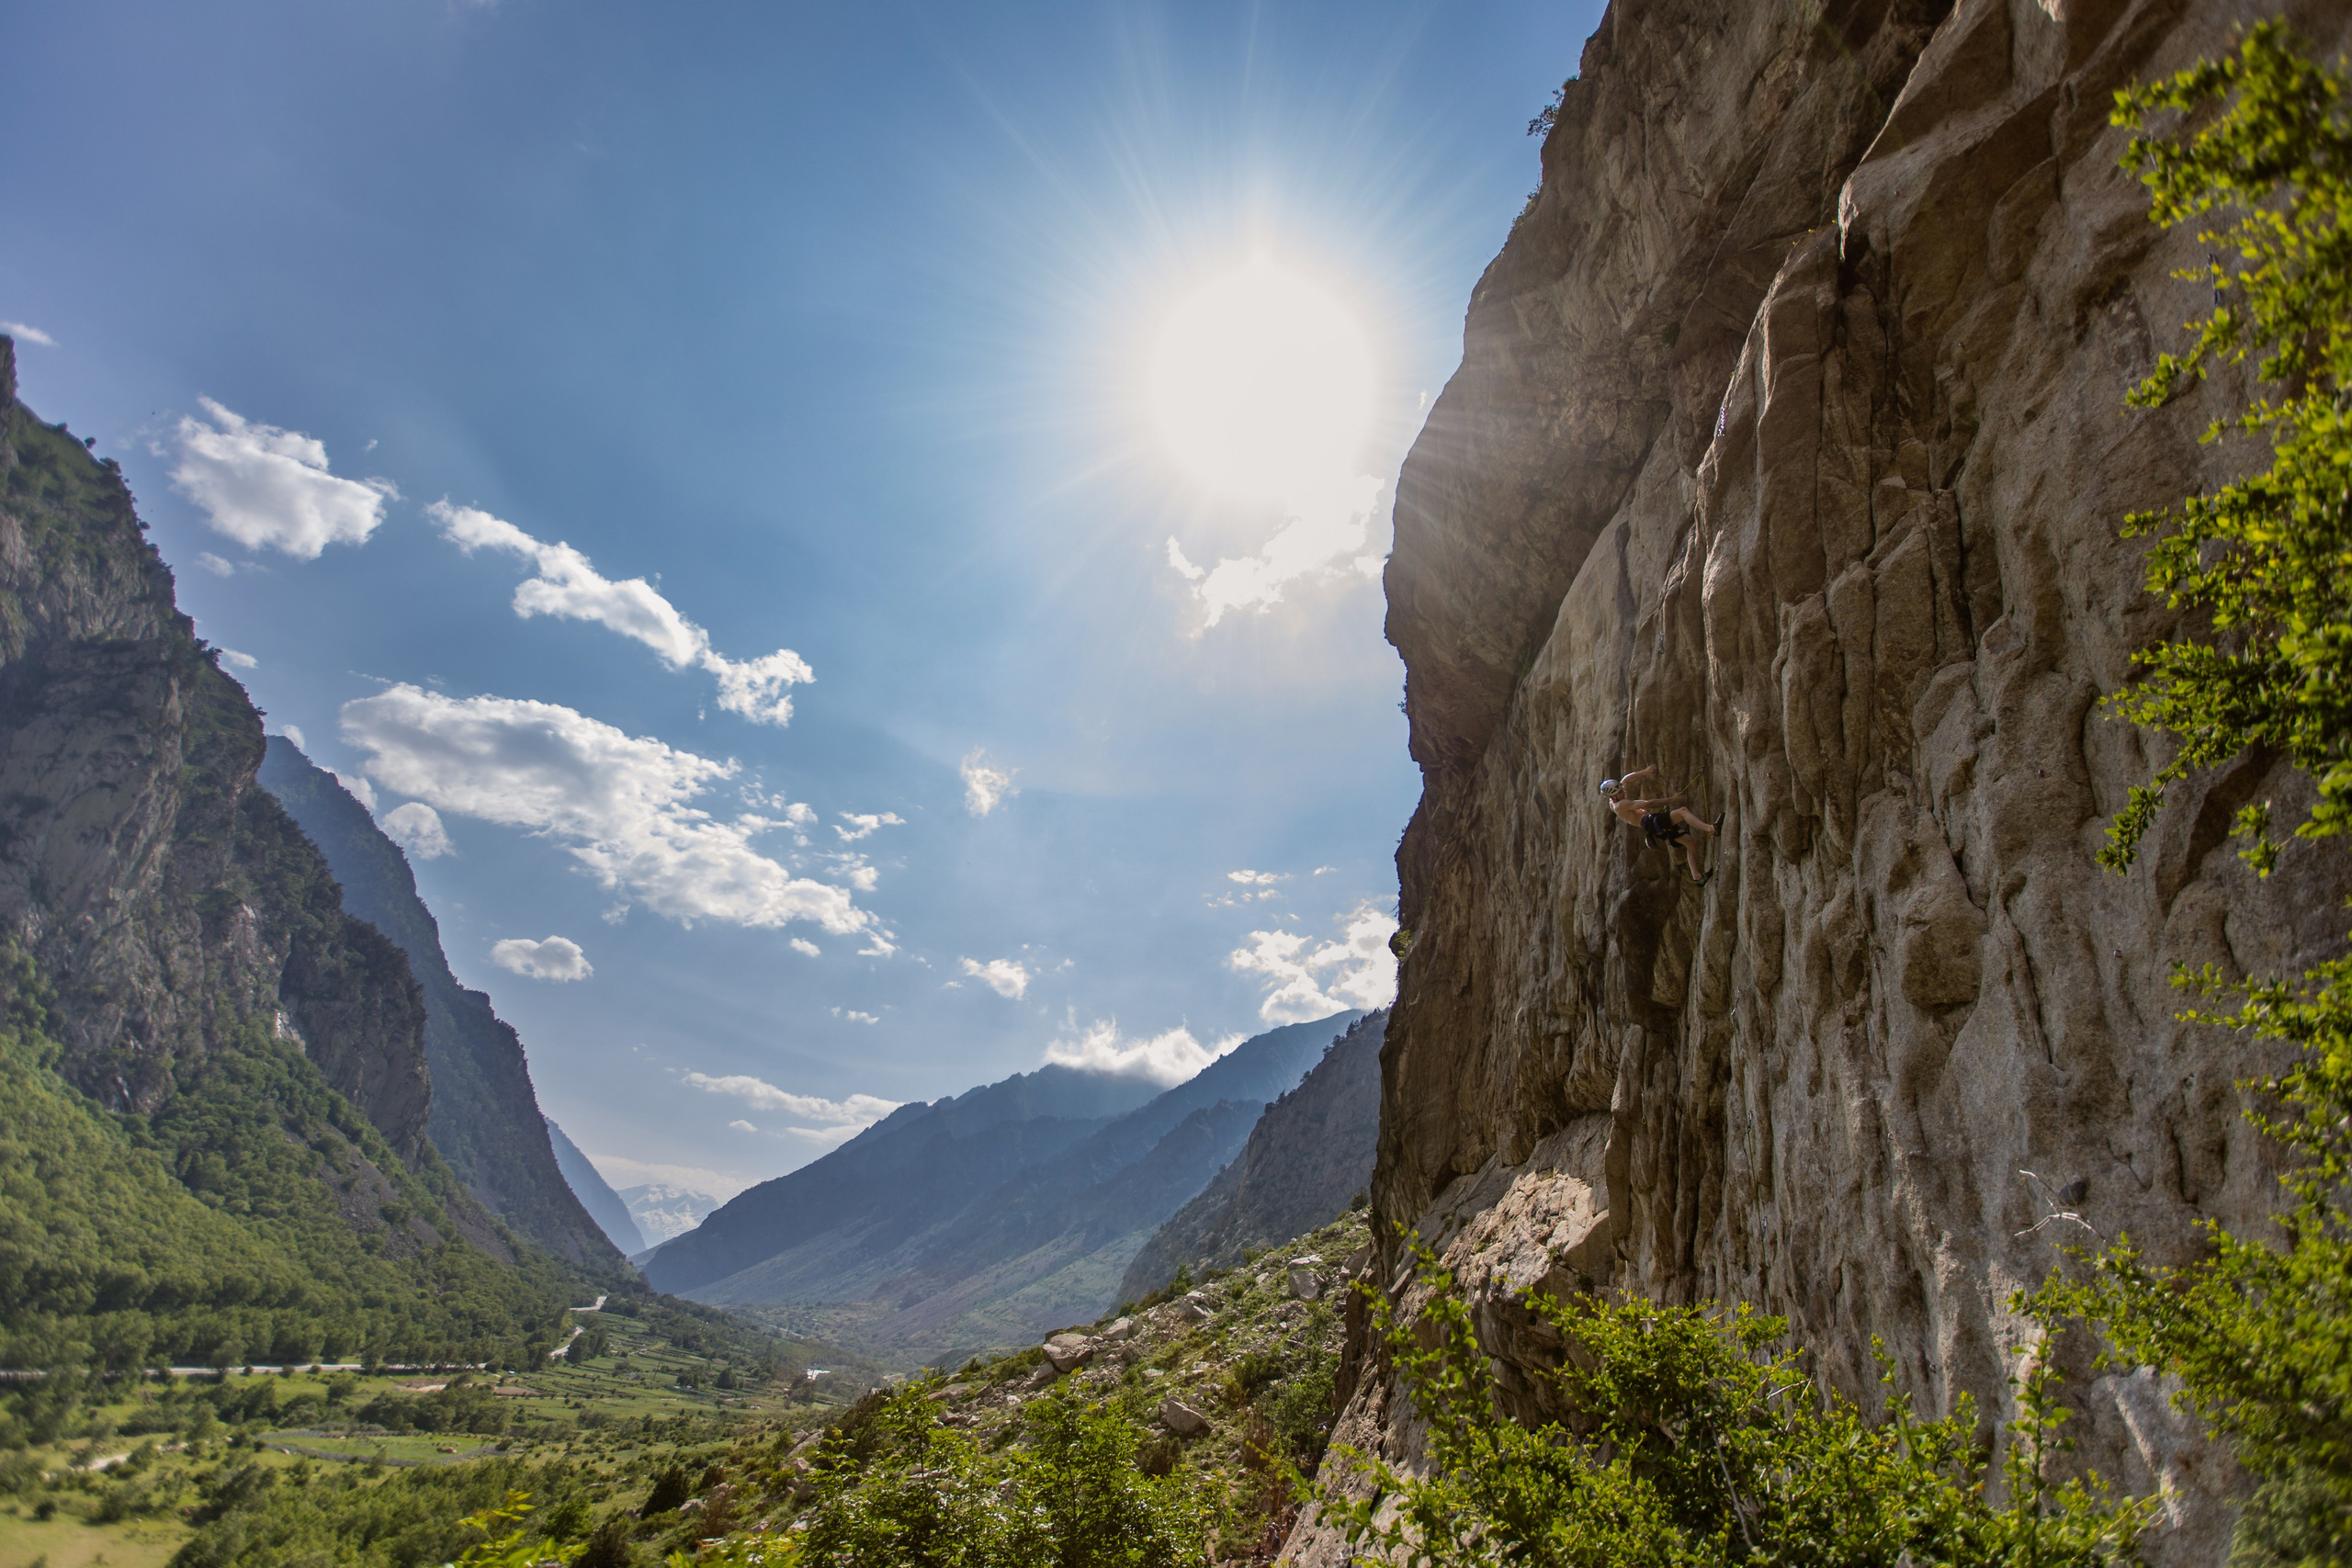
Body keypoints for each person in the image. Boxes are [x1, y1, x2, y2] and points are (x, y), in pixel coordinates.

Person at [1599, 765, 1723, 886]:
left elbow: (1626, 779)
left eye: (1621, 789)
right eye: (1620, 792)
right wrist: (1674, 799)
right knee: (1683, 811)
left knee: (1691, 843)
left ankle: (1697, 877)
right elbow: (1649, 803)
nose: (1623, 791)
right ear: (1613, 795)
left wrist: (1645, 772)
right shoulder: (1621, 805)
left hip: (1652, 827)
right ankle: (1711, 829)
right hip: (1650, 822)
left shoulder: (1614, 799)